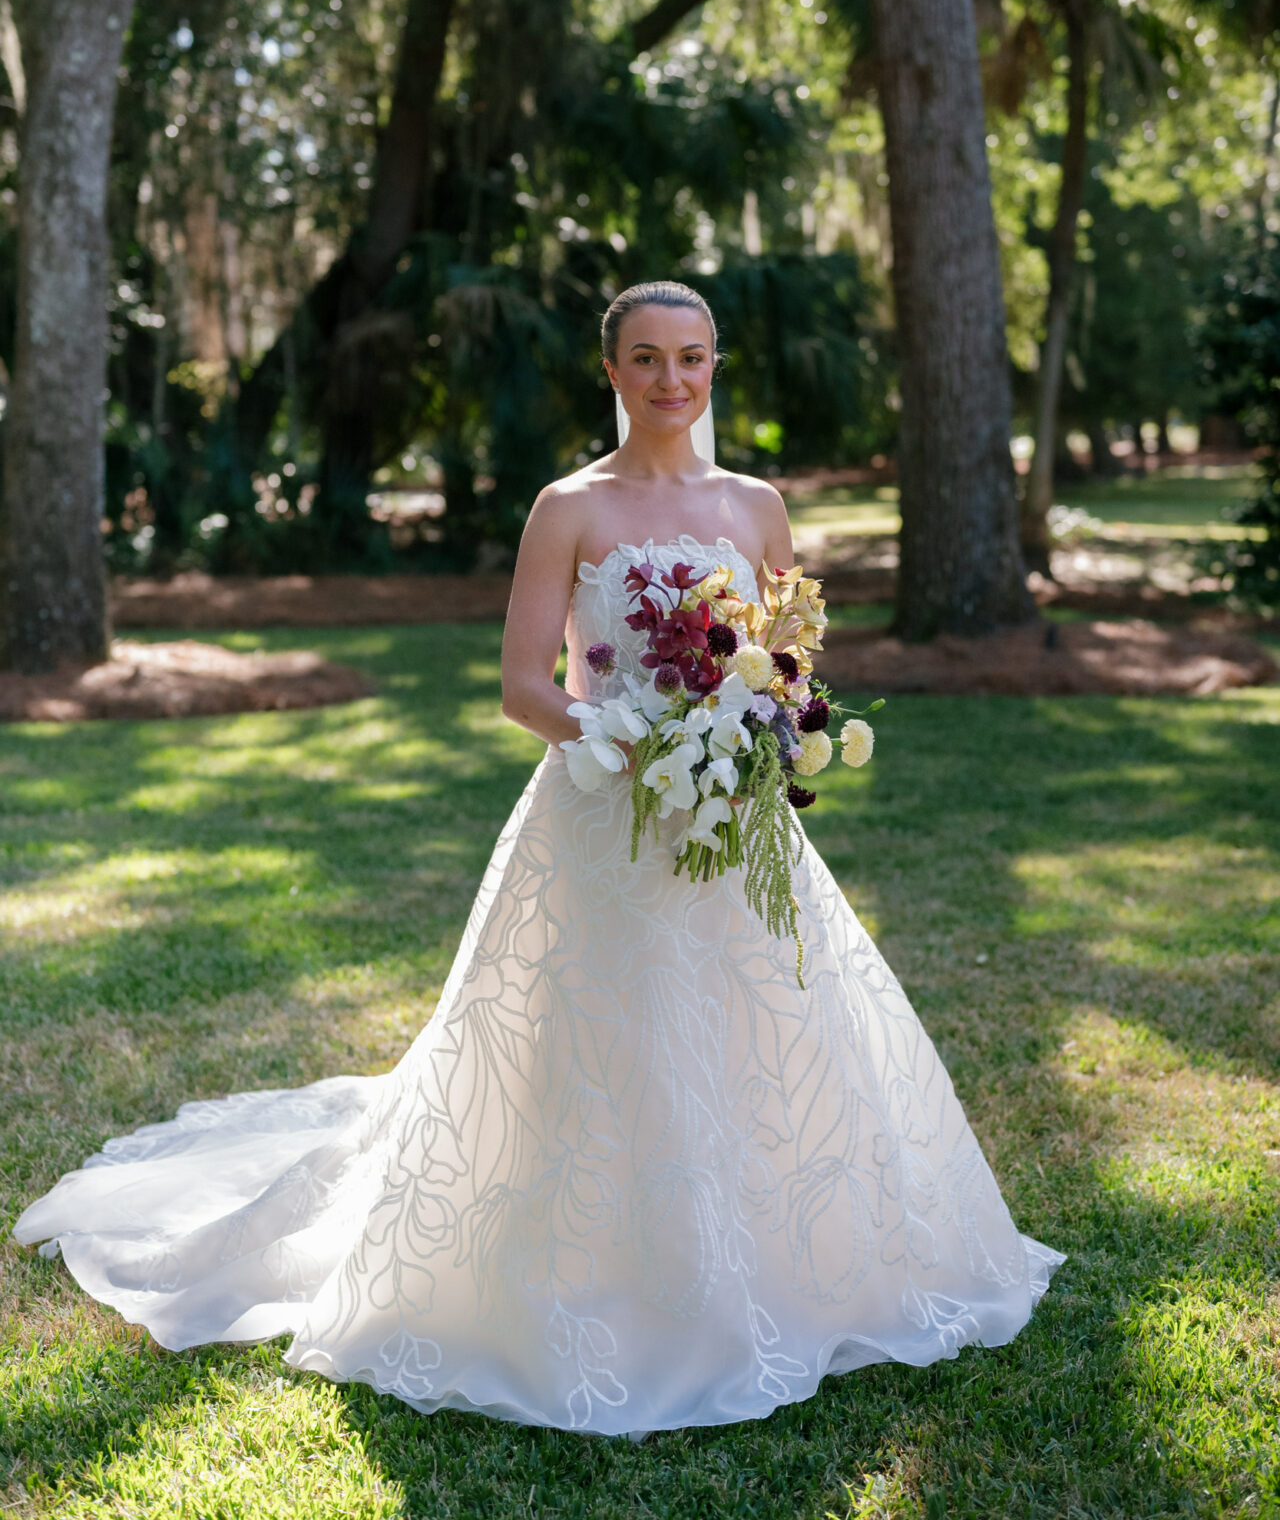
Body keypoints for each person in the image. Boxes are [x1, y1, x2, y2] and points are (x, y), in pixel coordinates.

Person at [14, 279, 1062, 1437]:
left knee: (763, 1039)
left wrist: (762, 722)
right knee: (589, 1043)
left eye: (694, 359)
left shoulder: (757, 505)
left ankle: (781, 1259)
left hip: (733, 821)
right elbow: (523, 684)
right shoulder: (568, 507)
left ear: (715, 369)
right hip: (599, 811)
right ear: (610, 373)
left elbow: (786, 660)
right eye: (649, 359)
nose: (673, 381)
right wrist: (621, 733)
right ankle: (584, 1270)